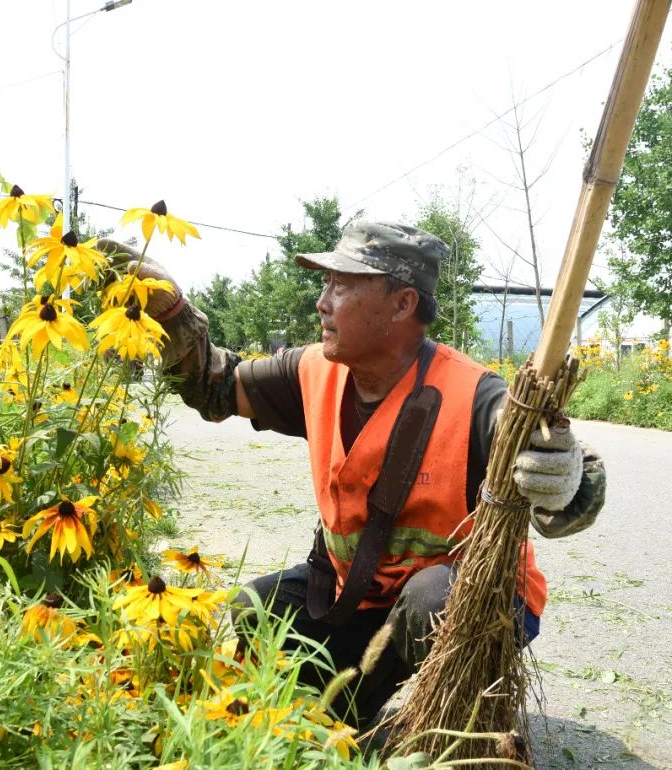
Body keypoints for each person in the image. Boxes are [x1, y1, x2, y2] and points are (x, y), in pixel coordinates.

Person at [98, 221, 606, 728]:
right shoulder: (313, 371)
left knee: (431, 601)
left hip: (475, 602)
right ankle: (348, 706)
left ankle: (441, 719)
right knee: (257, 609)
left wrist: (566, 481)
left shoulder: (475, 395)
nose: (323, 301)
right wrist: (170, 314)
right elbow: (217, 386)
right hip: (364, 595)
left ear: (403, 304)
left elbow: (557, 474)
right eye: (326, 284)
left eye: (341, 285)